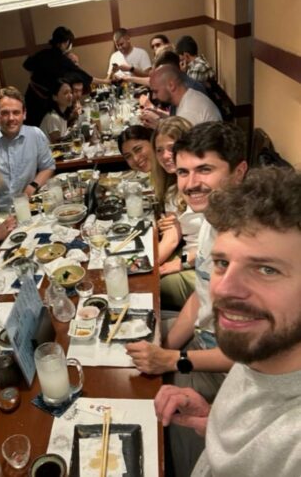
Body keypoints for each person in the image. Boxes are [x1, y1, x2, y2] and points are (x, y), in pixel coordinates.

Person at [155, 166, 301, 477]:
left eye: (266, 270)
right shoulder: (261, 352)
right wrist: (215, 421)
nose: (223, 288)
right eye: (222, 263)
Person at [126, 122, 248, 477]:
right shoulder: (211, 219)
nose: (191, 183)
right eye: (183, 172)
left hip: (230, 371)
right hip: (203, 341)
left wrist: (174, 360)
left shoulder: (247, 245)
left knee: (158, 418)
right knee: (128, 345)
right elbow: (199, 295)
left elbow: (249, 356)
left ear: (239, 172)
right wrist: (163, 344)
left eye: (205, 169)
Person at [151, 117, 203, 311]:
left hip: (206, 266)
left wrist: (181, 262)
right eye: (159, 150)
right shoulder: (174, 190)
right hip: (190, 257)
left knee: (151, 289)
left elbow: (214, 244)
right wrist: (147, 267)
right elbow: (172, 238)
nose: (165, 155)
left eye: (171, 147)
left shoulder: (205, 186)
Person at [23, 26, 107, 126]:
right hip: (43, 99)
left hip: (31, 94)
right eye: (69, 43)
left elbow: (26, 65)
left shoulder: (43, 53)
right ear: (65, 42)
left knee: (33, 124)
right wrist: (107, 81)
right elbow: (85, 77)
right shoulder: (62, 59)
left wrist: (37, 74)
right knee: (46, 124)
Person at [0, 86, 56, 212]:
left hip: (28, 208)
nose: (11, 118)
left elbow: (48, 166)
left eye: (16, 112)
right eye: (5, 113)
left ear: (24, 114)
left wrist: (33, 185)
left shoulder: (35, 135)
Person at [146, 65, 221, 128]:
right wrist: (159, 114)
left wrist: (158, 126)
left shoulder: (189, 110)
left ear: (171, 86)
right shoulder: (189, 96)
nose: (154, 97)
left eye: (156, 91)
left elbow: (178, 142)